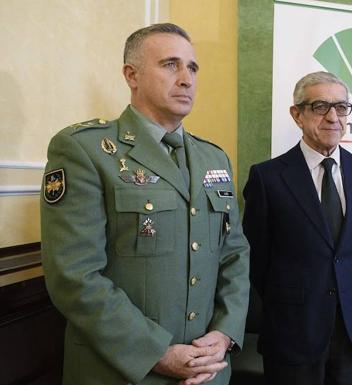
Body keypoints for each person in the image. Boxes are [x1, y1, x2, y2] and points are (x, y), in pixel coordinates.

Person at [40, 23, 249, 385]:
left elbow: (234, 253)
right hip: (124, 372)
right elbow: (75, 276)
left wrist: (225, 333)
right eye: (170, 64)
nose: (186, 79)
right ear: (131, 75)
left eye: (192, 67)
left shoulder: (214, 158)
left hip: (207, 371)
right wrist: (157, 353)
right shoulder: (84, 150)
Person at [242, 71, 352, 385]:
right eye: (320, 106)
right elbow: (257, 261)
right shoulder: (267, 178)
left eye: (341, 107)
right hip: (293, 333)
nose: (333, 116)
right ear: (297, 114)